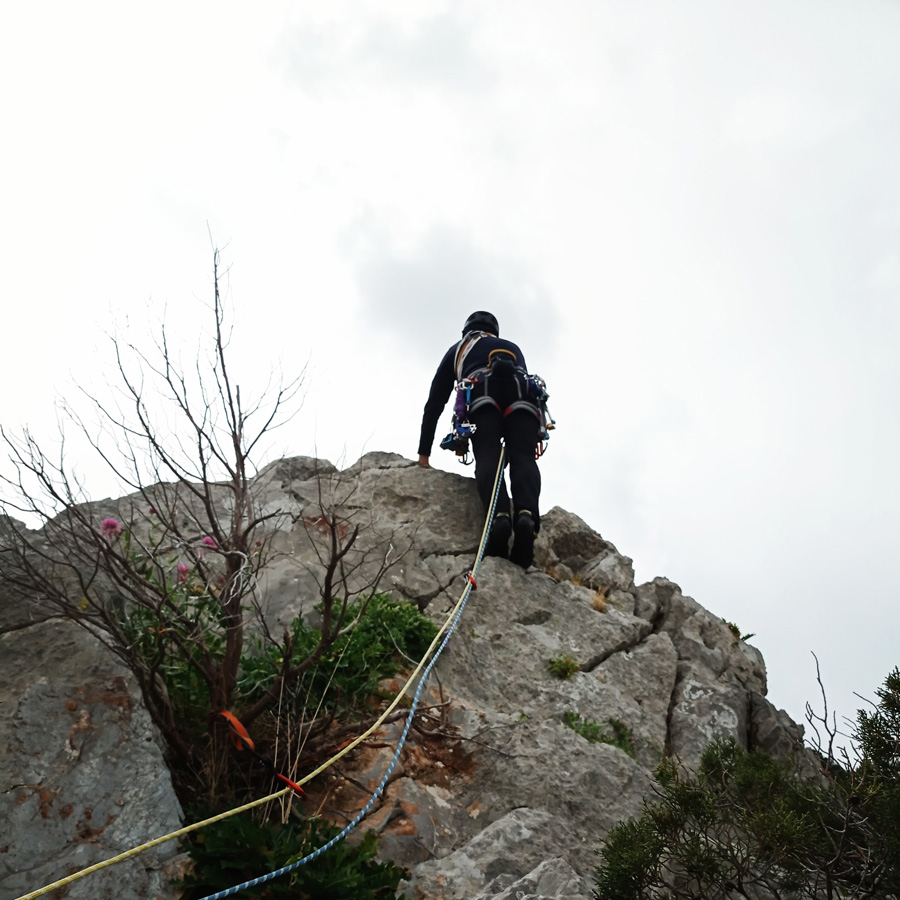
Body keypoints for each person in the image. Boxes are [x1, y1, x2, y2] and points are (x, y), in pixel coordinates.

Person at [417, 311, 543, 568]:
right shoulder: (512, 348)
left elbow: (435, 403)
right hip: (523, 395)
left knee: (488, 453)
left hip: (481, 393)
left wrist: (424, 455)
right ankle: (525, 516)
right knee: (523, 456)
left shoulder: (460, 349)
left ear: (467, 330)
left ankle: (499, 519)